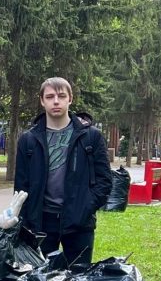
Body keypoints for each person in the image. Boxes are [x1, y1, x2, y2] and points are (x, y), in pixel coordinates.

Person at [14, 77, 112, 265]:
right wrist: (26, 221)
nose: (56, 101)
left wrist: (85, 208)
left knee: (78, 280)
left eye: (61, 96)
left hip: (79, 222)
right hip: (41, 222)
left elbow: (105, 181)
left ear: (70, 99)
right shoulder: (28, 140)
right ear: (42, 101)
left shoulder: (91, 137)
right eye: (50, 97)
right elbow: (21, 186)